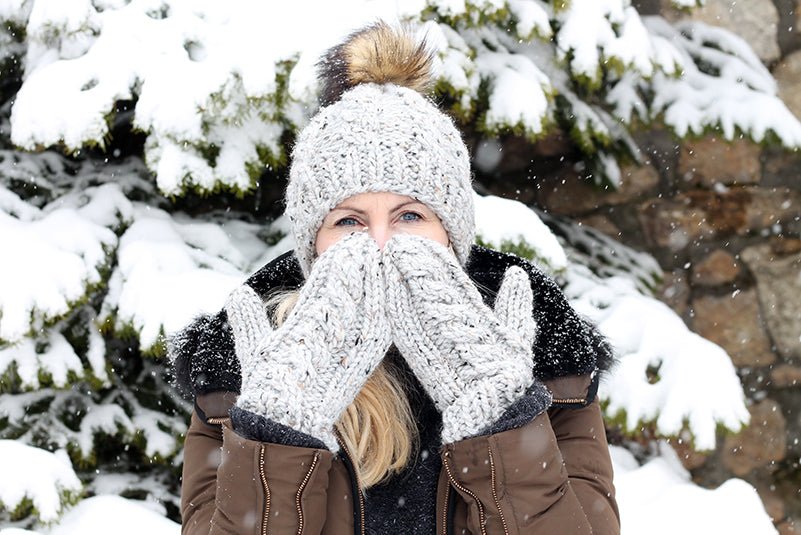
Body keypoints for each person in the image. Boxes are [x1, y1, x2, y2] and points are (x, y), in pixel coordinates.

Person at [170, 21, 620, 535]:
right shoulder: (245, 373)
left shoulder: (545, 366)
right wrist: (279, 426)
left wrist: (502, 417)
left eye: (409, 216)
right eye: (348, 221)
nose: (380, 244)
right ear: (312, 242)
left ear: (451, 233)